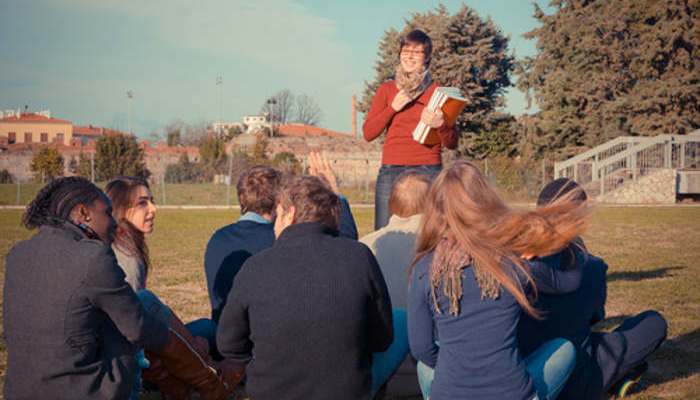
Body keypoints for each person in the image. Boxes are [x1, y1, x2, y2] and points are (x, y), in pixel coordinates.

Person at [3, 177, 231, 400]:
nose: (113, 222)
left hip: (21, 391)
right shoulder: (92, 256)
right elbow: (138, 327)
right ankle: (208, 384)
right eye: (107, 213)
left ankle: (200, 383)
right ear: (83, 213)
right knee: (144, 306)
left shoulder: (17, 254)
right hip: (83, 391)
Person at [408, 161, 591, 400]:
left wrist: (461, 370)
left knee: (426, 367)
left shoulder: (425, 269)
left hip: (449, 392)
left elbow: (422, 348)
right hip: (513, 392)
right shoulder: (515, 261)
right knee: (564, 349)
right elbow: (569, 282)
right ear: (486, 201)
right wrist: (567, 242)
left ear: (436, 209)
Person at [216, 174, 393, 400]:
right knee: (398, 318)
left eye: (277, 215)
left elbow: (229, 344)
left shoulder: (255, 266)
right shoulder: (359, 256)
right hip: (346, 390)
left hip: (272, 392)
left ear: (288, 214)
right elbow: (383, 337)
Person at [518, 178, 668, 399]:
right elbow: (595, 317)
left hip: (523, 370)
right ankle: (613, 378)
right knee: (653, 323)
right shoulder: (592, 267)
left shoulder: (509, 263)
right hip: (576, 379)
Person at [105, 176, 241, 399]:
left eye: (152, 200)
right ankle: (207, 382)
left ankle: (197, 377)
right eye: (142, 203)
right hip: (125, 355)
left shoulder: (125, 245)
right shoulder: (126, 258)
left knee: (206, 328)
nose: (153, 209)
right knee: (150, 302)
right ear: (121, 209)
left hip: (138, 345)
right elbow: (130, 329)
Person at [204, 157, 358, 326]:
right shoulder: (283, 241)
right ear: (279, 202)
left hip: (224, 336)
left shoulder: (217, 239)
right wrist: (334, 194)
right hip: (266, 340)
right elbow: (344, 250)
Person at [363, 29, 458, 230]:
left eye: (416, 52)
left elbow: (452, 143)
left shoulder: (438, 92)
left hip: (428, 170)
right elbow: (368, 133)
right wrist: (392, 108)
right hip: (391, 169)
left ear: (427, 58)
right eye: (405, 51)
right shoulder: (387, 90)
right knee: (383, 232)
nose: (409, 56)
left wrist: (441, 125)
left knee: (431, 232)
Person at [360, 171, 431, 397]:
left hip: (376, 368)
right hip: (430, 367)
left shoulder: (366, 246)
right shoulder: (445, 248)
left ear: (391, 204)